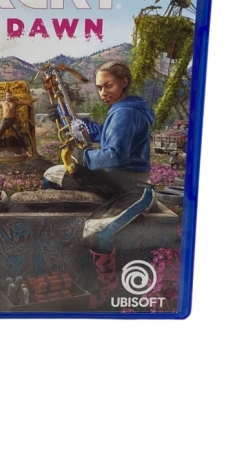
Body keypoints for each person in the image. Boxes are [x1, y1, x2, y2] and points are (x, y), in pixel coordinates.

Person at [42, 60, 156, 308]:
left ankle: (107, 283)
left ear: (124, 83)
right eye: (100, 87)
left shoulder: (126, 112)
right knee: (52, 175)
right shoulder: (123, 107)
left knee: (95, 231)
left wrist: (82, 156)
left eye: (109, 86)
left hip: (132, 189)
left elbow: (115, 155)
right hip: (112, 182)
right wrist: (65, 116)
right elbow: (104, 132)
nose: (103, 92)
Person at [0, 86, 33, 156]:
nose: (8, 96)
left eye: (10, 95)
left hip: (13, 120)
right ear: (5, 96)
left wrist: (31, 101)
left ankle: (27, 151)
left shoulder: (14, 102)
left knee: (20, 135)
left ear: (11, 96)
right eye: (7, 95)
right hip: (4, 120)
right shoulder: (2, 103)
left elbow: (23, 102)